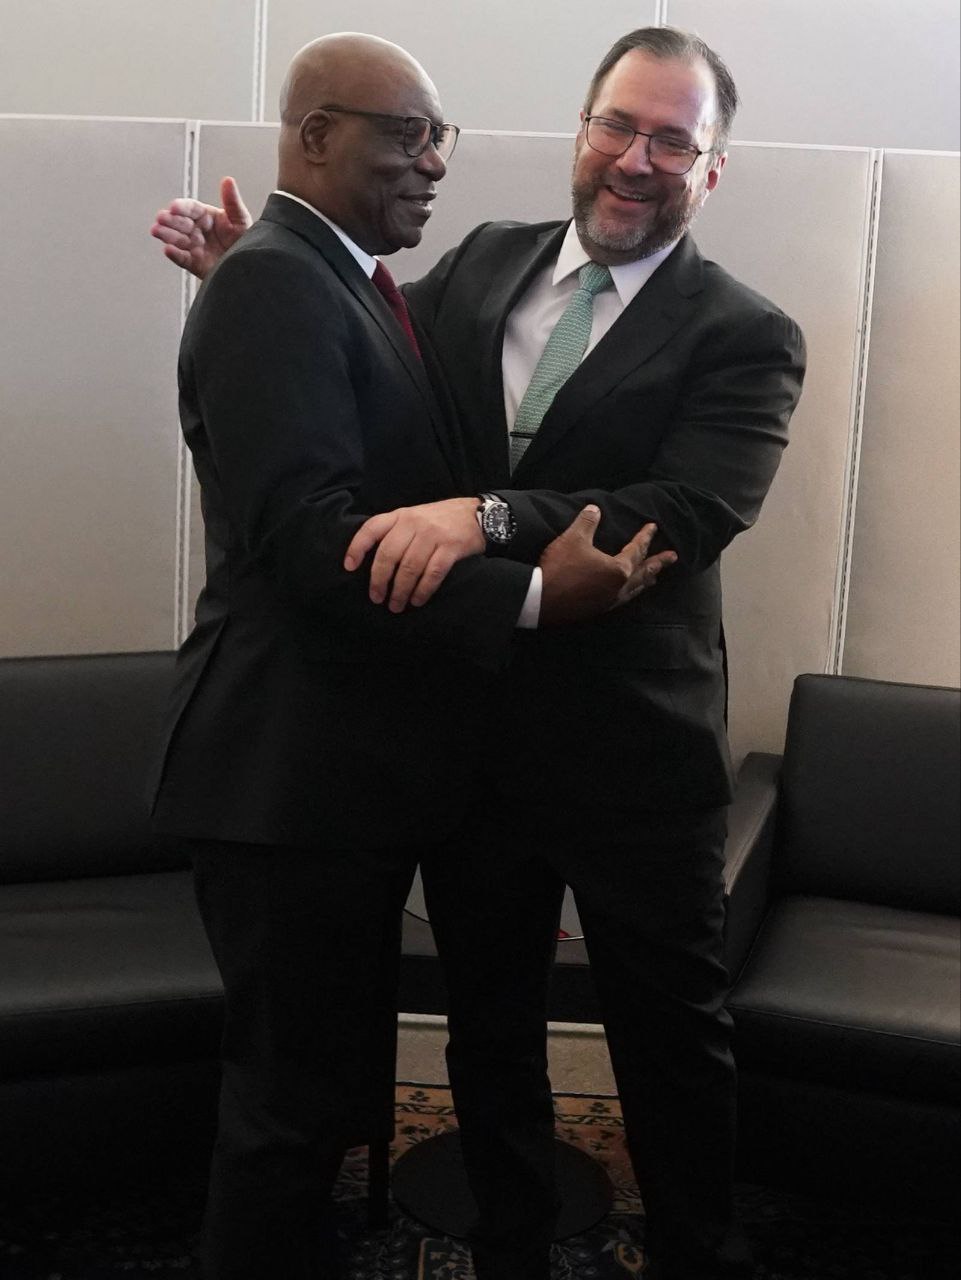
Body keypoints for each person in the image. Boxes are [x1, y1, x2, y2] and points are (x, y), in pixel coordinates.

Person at [151, 26, 806, 1280]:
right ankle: (509, 1241)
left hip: (634, 753)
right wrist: (263, 281)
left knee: (669, 1033)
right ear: (582, 130)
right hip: (465, 742)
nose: (636, 158)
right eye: (618, 125)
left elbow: (684, 508)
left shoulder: (747, 332)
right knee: (489, 1024)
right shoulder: (478, 266)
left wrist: (488, 517)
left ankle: (692, 1248)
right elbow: (371, 375)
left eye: (674, 142)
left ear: (712, 169)